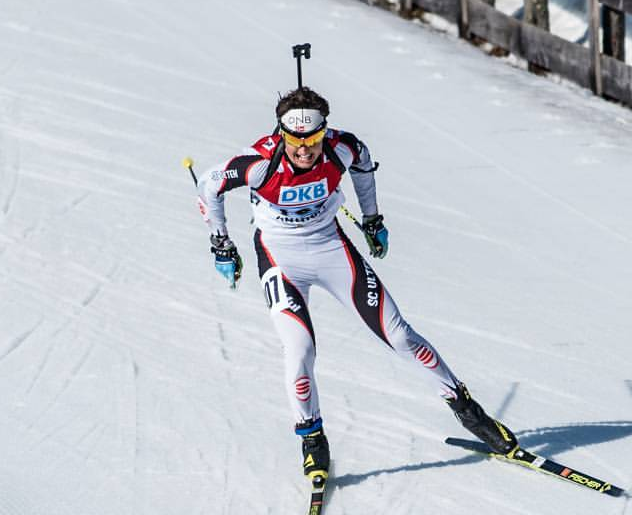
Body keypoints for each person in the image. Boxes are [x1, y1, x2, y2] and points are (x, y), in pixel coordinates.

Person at [194, 86, 518, 484]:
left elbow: (364, 165)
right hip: (280, 257)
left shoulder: (341, 148)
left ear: (323, 133)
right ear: (281, 134)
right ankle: (312, 441)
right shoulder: (258, 163)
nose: (304, 151)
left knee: (400, 336)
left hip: (331, 249)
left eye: (312, 140)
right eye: (295, 141)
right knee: (299, 350)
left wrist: (372, 219)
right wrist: (221, 244)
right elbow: (209, 185)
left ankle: (469, 411)